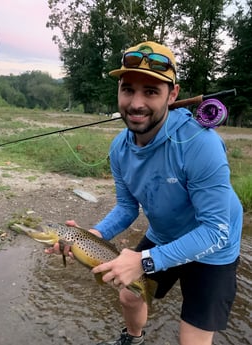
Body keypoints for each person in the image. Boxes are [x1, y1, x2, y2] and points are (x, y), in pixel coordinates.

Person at [47, 41, 243, 345]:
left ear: (173, 94)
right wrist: (92, 235)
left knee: (191, 340)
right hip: (166, 234)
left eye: (151, 92)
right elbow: (127, 208)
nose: (136, 103)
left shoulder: (201, 144)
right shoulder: (119, 148)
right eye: (128, 89)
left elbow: (216, 231)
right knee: (129, 295)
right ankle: (133, 338)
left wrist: (145, 261)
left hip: (215, 248)